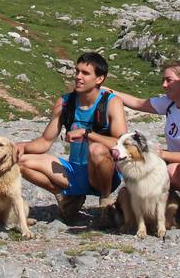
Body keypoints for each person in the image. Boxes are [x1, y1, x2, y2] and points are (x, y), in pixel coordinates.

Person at [16, 52, 127, 222]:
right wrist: (18, 147)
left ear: (99, 79)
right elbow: (45, 142)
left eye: (85, 73)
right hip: (74, 171)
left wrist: (87, 134)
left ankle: (105, 201)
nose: (78, 77)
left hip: (103, 174)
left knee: (96, 149)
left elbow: (121, 142)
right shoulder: (65, 102)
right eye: (77, 71)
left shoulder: (112, 103)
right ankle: (66, 198)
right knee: (19, 161)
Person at [103, 59, 180, 228]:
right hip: (173, 161)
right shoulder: (170, 104)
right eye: (163, 80)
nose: (164, 85)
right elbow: (138, 103)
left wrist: (161, 154)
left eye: (169, 80)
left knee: (169, 169)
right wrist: (106, 91)